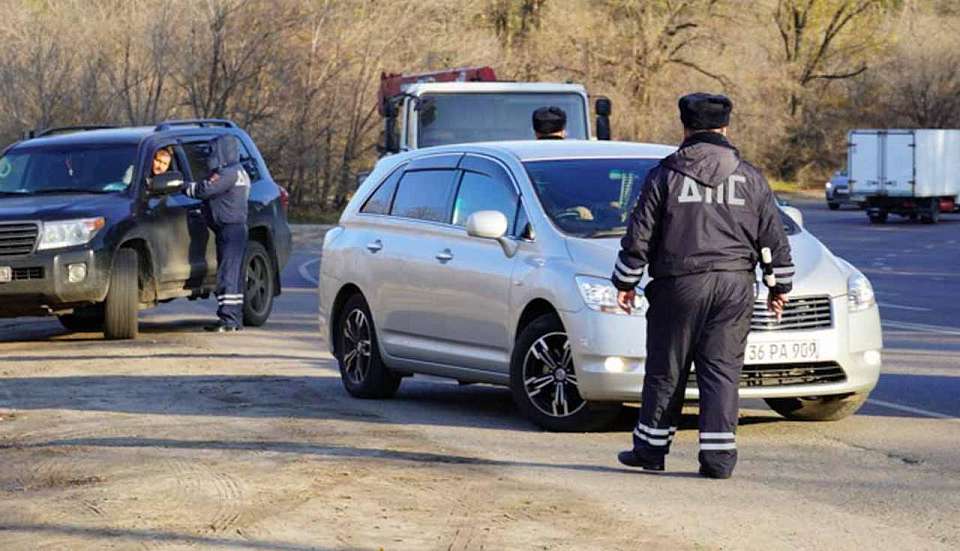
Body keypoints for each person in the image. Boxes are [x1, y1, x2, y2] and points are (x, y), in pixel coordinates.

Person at [612, 93, 794, 479]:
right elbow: (772, 238)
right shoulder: (751, 177)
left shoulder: (666, 175)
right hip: (734, 286)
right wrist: (779, 287)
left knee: (666, 369)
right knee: (722, 371)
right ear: (725, 128)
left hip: (679, 284)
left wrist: (626, 280)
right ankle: (718, 459)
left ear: (685, 128)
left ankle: (650, 449)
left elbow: (640, 234)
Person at [183, 135, 251, 333]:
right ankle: (234, 318)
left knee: (227, 274)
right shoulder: (239, 171)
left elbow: (204, 190)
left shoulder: (228, 173)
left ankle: (227, 319)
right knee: (235, 275)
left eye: (213, 151)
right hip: (235, 229)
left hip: (230, 230)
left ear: (222, 151)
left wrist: (183, 186)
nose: (210, 156)